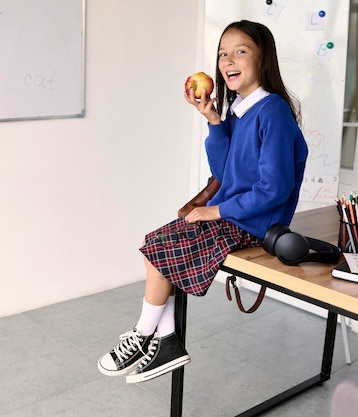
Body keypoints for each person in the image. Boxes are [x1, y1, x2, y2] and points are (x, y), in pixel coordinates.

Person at [97, 20, 308, 384]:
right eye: (223, 53)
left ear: (263, 59)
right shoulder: (241, 110)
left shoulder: (272, 111)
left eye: (240, 51)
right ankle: (166, 341)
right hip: (235, 217)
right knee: (156, 243)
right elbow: (225, 171)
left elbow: (273, 188)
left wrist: (215, 210)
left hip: (255, 225)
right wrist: (213, 119)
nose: (228, 60)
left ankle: (145, 333)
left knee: (161, 250)